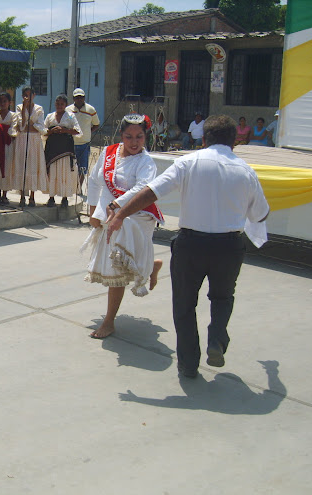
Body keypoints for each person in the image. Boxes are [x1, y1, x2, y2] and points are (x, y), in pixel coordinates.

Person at [107, 115, 270, 378]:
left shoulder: (188, 163)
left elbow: (152, 191)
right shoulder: (245, 171)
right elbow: (261, 215)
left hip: (190, 244)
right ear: (234, 142)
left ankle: (188, 365)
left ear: (204, 139)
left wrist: (121, 214)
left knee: (184, 305)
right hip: (229, 247)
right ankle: (216, 338)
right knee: (222, 297)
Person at [82, 114, 164, 339]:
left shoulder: (146, 161)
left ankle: (109, 321)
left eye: (139, 136)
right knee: (117, 262)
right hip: (110, 213)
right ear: (121, 135)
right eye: (129, 136)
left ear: (146, 136)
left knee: (117, 266)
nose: (134, 142)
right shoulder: (109, 153)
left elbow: (142, 188)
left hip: (136, 215)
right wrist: (92, 211)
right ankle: (150, 265)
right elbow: (95, 181)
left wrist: (116, 205)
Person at [44, 94, 82, 208]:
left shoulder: (70, 116)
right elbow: (43, 130)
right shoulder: (50, 116)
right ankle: (51, 197)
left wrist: (64, 130)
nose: (59, 106)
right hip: (52, 148)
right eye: (57, 104)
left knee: (64, 172)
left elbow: (78, 131)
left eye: (62, 104)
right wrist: (52, 131)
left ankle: (65, 198)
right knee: (52, 172)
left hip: (65, 149)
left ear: (65, 105)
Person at [12, 87, 47, 207]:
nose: (28, 97)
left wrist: (30, 125)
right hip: (22, 140)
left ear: (34, 95)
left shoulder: (39, 109)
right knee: (22, 166)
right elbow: (20, 126)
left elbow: (41, 127)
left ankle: (32, 196)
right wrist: (23, 111)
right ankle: (22, 195)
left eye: (30, 95)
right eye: (25, 95)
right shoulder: (19, 107)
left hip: (34, 141)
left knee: (33, 167)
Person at [66, 88, 99, 187]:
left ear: (84, 98)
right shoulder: (68, 110)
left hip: (85, 144)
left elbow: (96, 124)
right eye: (77, 97)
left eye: (81, 97)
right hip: (70, 143)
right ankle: (70, 187)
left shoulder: (90, 109)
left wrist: (88, 132)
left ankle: (78, 187)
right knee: (70, 167)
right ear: (73, 98)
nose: (79, 99)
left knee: (83, 168)